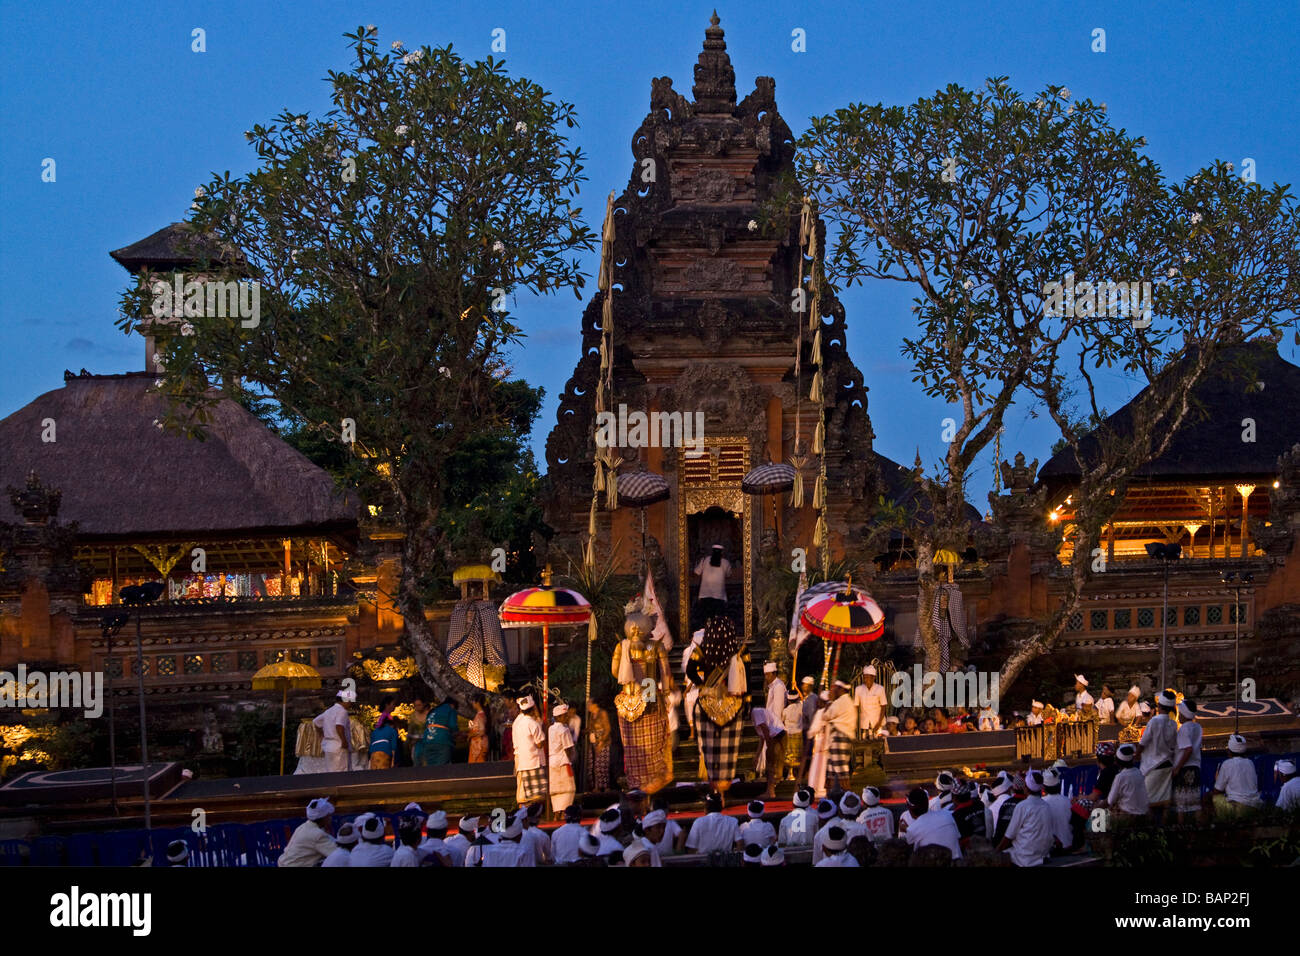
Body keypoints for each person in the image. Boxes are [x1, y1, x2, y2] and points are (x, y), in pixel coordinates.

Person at [612, 609, 675, 793]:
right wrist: (667, 693)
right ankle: (651, 784)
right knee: (651, 746)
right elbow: (665, 674)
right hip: (650, 694)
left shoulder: (622, 647)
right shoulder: (654, 647)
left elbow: (616, 672)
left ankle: (637, 786)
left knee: (633, 749)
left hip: (628, 699)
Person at [687, 616, 747, 802]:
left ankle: (716, 791)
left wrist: (702, 684)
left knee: (712, 750)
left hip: (707, 701)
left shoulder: (702, 650)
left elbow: (690, 671)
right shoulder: (738, 652)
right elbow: (748, 680)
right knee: (723, 751)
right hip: (732, 703)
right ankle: (720, 792)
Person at [1136, 689, 1179, 821]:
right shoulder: (1172, 724)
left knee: (1147, 801)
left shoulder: (1154, 722)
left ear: (1159, 706)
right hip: (1167, 764)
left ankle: (1150, 831)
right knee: (1164, 801)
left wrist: (1136, 754)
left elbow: (1143, 742)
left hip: (1153, 765)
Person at [998, 770, 1055, 866]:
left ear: (1026, 788)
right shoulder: (1046, 806)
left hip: (1024, 858)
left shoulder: (1022, 806)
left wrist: (996, 851)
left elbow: (1009, 836)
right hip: (1042, 855)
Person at [902, 787, 962, 860]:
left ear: (909, 807)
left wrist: (906, 829)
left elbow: (909, 852)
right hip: (958, 861)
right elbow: (958, 838)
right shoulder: (947, 815)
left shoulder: (912, 830)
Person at [278, 797, 338, 867]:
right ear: (324, 818)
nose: (330, 819)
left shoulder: (305, 826)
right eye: (329, 816)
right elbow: (337, 853)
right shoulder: (317, 834)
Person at [1172, 698, 1204, 824]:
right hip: (1195, 767)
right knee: (1195, 802)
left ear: (1184, 714)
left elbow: (1188, 749)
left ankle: (1181, 830)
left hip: (1185, 768)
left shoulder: (1184, 729)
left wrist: (1178, 767)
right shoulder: (1197, 727)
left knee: (1181, 803)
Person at [511, 695, 548, 805]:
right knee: (537, 795)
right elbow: (540, 743)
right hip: (533, 761)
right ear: (533, 709)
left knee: (526, 793)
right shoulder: (532, 723)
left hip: (523, 760)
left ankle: (525, 812)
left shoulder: (519, 722)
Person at [1213, 733, 1261, 813]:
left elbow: (1217, 790)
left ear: (1229, 751)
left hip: (1238, 807)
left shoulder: (1227, 764)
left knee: (1215, 798)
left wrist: (1217, 780)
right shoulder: (1250, 763)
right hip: (1255, 805)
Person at [750, 691, 786, 799]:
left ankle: (770, 792)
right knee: (771, 762)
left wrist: (769, 748)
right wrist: (757, 756)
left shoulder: (755, 712)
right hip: (777, 734)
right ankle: (770, 790)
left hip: (778, 735)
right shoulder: (756, 714)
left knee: (771, 763)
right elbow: (762, 738)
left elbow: (766, 731)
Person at [825, 680, 857, 790]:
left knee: (841, 768)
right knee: (832, 767)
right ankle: (831, 795)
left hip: (839, 736)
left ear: (842, 689)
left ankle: (848, 794)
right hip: (842, 736)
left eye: (836, 688)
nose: (834, 690)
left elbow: (827, 715)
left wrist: (829, 703)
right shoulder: (847, 701)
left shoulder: (841, 702)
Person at [548, 703, 578, 817]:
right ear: (559, 717)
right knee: (568, 788)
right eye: (565, 716)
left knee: (555, 789)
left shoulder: (550, 729)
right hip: (563, 762)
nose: (567, 718)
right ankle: (564, 812)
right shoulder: (564, 730)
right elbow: (568, 748)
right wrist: (571, 760)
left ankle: (557, 812)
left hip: (552, 762)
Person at [1105, 743, 1150, 817]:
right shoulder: (1138, 772)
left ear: (1117, 762)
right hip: (1143, 813)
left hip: (1129, 815)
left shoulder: (1120, 777)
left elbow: (1110, 800)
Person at [313, 691, 353, 773]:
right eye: (350, 701)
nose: (350, 703)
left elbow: (316, 722)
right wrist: (344, 741)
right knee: (340, 771)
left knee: (330, 771)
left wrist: (323, 734)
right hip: (338, 745)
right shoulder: (342, 711)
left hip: (328, 745)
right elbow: (339, 726)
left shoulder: (329, 711)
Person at [693, 544, 732, 620]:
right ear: (722, 553)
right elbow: (729, 575)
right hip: (719, 597)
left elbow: (696, 572)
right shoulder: (726, 563)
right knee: (718, 621)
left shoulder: (705, 560)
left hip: (705, 597)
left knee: (705, 620)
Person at [1040, 768, 1074, 852]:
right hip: (1068, 845)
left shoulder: (1041, 803)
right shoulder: (1067, 801)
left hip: (1052, 849)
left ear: (1044, 788)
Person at [950, 780, 986, 849]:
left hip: (970, 853)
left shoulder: (956, 815)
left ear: (954, 797)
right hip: (986, 846)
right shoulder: (980, 805)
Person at [586, 699, 613, 792]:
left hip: (603, 741)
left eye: (589, 704)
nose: (587, 706)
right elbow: (590, 728)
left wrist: (601, 741)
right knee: (592, 764)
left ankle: (605, 786)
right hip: (594, 741)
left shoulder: (602, 713)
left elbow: (607, 728)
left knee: (602, 764)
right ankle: (596, 786)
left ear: (594, 704)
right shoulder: (591, 715)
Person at [423, 694, 458, 766]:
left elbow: (426, 725)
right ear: (453, 704)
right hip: (442, 741)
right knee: (442, 768)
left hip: (427, 741)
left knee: (431, 768)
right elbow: (453, 726)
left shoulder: (433, 711)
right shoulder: (450, 709)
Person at [854, 665, 888, 739]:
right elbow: (856, 706)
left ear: (873, 677)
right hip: (864, 724)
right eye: (864, 677)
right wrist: (855, 723)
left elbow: (883, 707)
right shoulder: (858, 689)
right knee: (866, 745)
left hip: (879, 723)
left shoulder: (880, 689)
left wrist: (879, 723)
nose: (865, 679)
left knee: (881, 745)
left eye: (867, 677)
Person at [797, 675, 819, 781]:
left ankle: (809, 773)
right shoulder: (807, 698)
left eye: (806, 685)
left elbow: (811, 716)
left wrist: (811, 730)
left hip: (810, 730)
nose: (803, 687)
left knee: (809, 753)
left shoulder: (812, 698)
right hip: (806, 729)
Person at [368, 696, 400, 769]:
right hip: (385, 750)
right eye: (393, 704)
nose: (394, 706)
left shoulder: (384, 717)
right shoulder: (386, 716)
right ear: (387, 705)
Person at [781, 689, 804, 782]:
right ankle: (795, 774)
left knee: (789, 756)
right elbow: (802, 699)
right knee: (798, 756)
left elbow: (782, 720)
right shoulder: (801, 706)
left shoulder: (785, 710)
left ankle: (790, 773)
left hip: (789, 734)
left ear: (788, 700)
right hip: (798, 734)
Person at [408, 695, 430, 766]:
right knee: (417, 760)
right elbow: (410, 731)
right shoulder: (413, 716)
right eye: (416, 706)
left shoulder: (429, 714)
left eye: (419, 705)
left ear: (424, 704)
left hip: (428, 742)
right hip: (417, 742)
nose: (417, 707)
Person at [468, 696, 490, 763]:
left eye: (473, 702)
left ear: (477, 703)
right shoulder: (482, 715)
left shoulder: (480, 716)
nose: (472, 704)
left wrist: (470, 735)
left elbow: (481, 731)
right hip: (479, 744)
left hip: (479, 745)